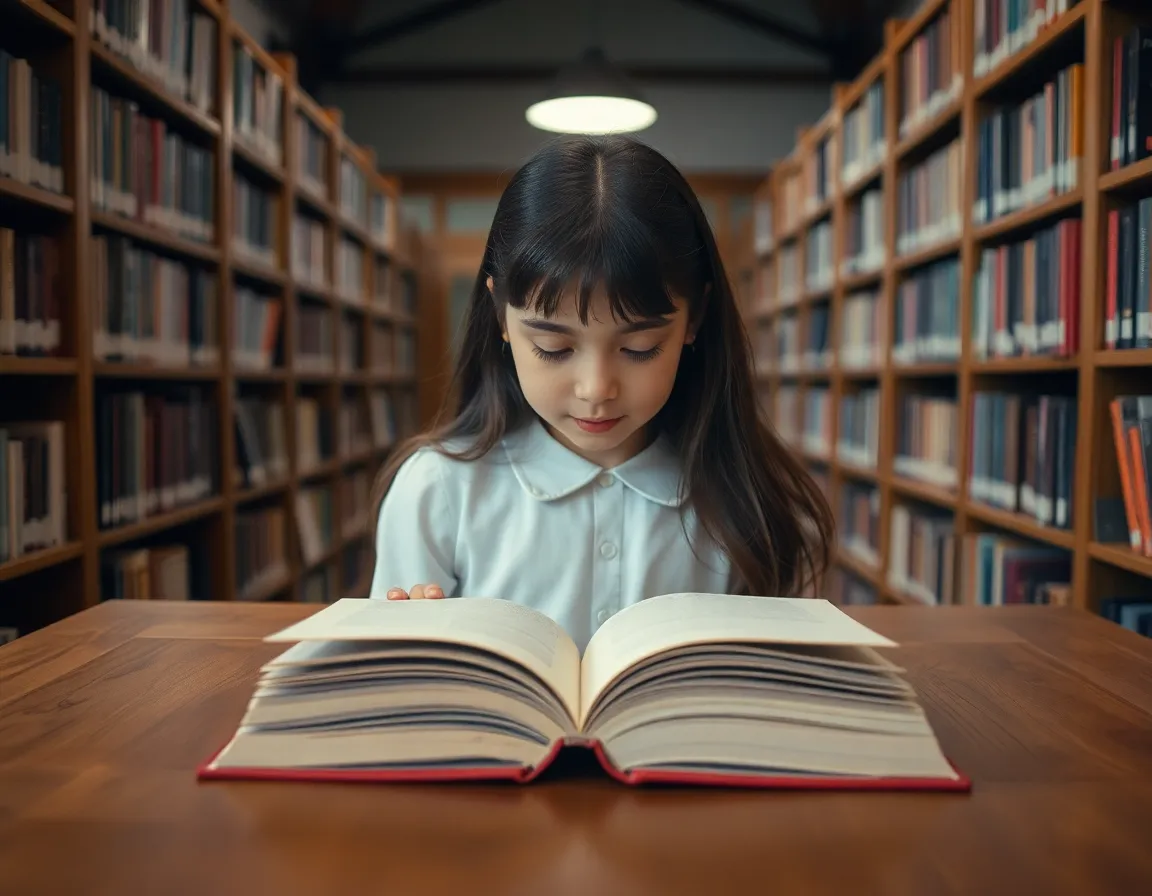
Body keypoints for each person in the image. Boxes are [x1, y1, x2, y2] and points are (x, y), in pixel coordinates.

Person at [369, 133, 833, 649]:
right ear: (500, 314)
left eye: (639, 349)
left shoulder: (752, 500)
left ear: (694, 318)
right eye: (552, 348)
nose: (596, 390)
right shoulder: (437, 490)